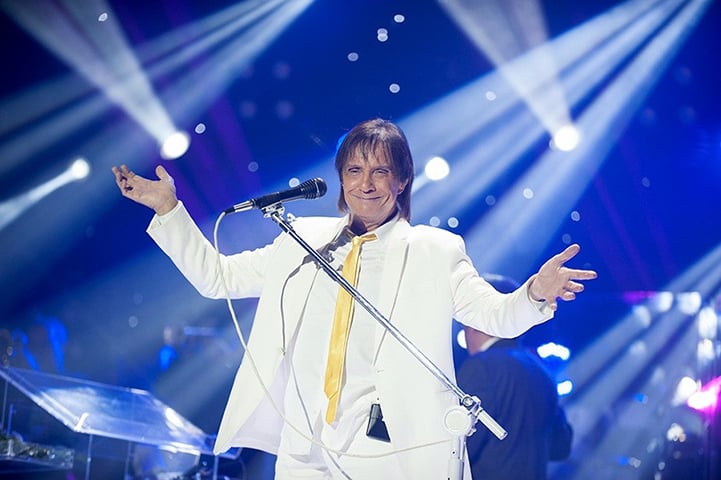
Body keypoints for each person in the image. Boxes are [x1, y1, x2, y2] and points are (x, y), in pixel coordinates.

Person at [112, 118, 596, 479]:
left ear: (402, 180)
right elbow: (216, 278)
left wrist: (534, 292)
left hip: (385, 450)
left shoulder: (434, 251)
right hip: (304, 446)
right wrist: (170, 210)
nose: (366, 183)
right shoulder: (302, 239)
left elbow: (495, 315)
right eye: (355, 170)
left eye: (381, 171)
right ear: (341, 178)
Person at [456, 274, 573, 480]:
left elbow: (457, 447)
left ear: (477, 319)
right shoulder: (541, 371)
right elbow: (560, 447)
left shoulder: (481, 367)